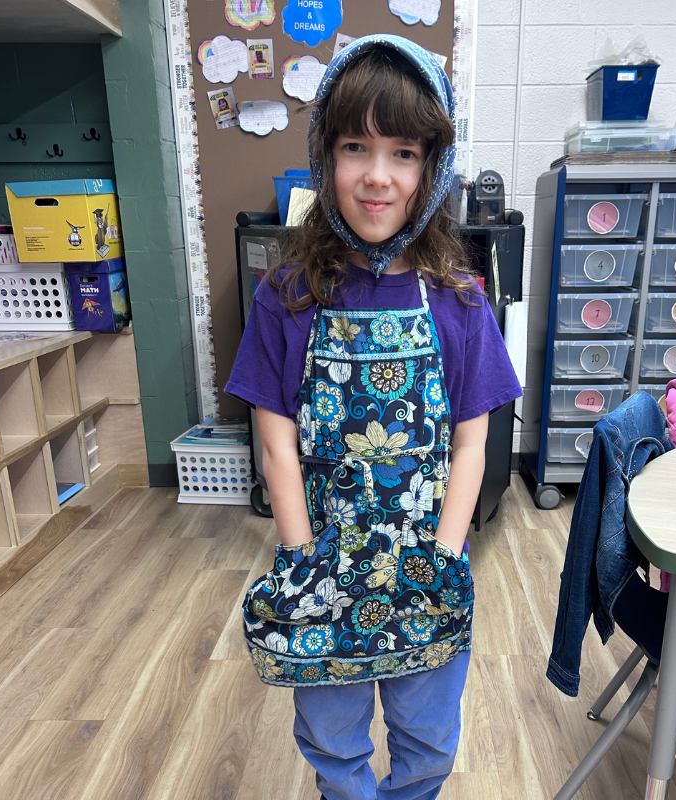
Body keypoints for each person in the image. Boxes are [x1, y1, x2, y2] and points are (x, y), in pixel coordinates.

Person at [226, 34, 522, 800]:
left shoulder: (458, 297)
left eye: (405, 153)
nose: (378, 177)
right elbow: (277, 446)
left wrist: (447, 563)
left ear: (433, 167)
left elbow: (471, 444)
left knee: (427, 742)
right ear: (326, 155)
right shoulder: (286, 292)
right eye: (357, 146)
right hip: (320, 566)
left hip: (428, 569)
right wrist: (300, 563)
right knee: (331, 739)